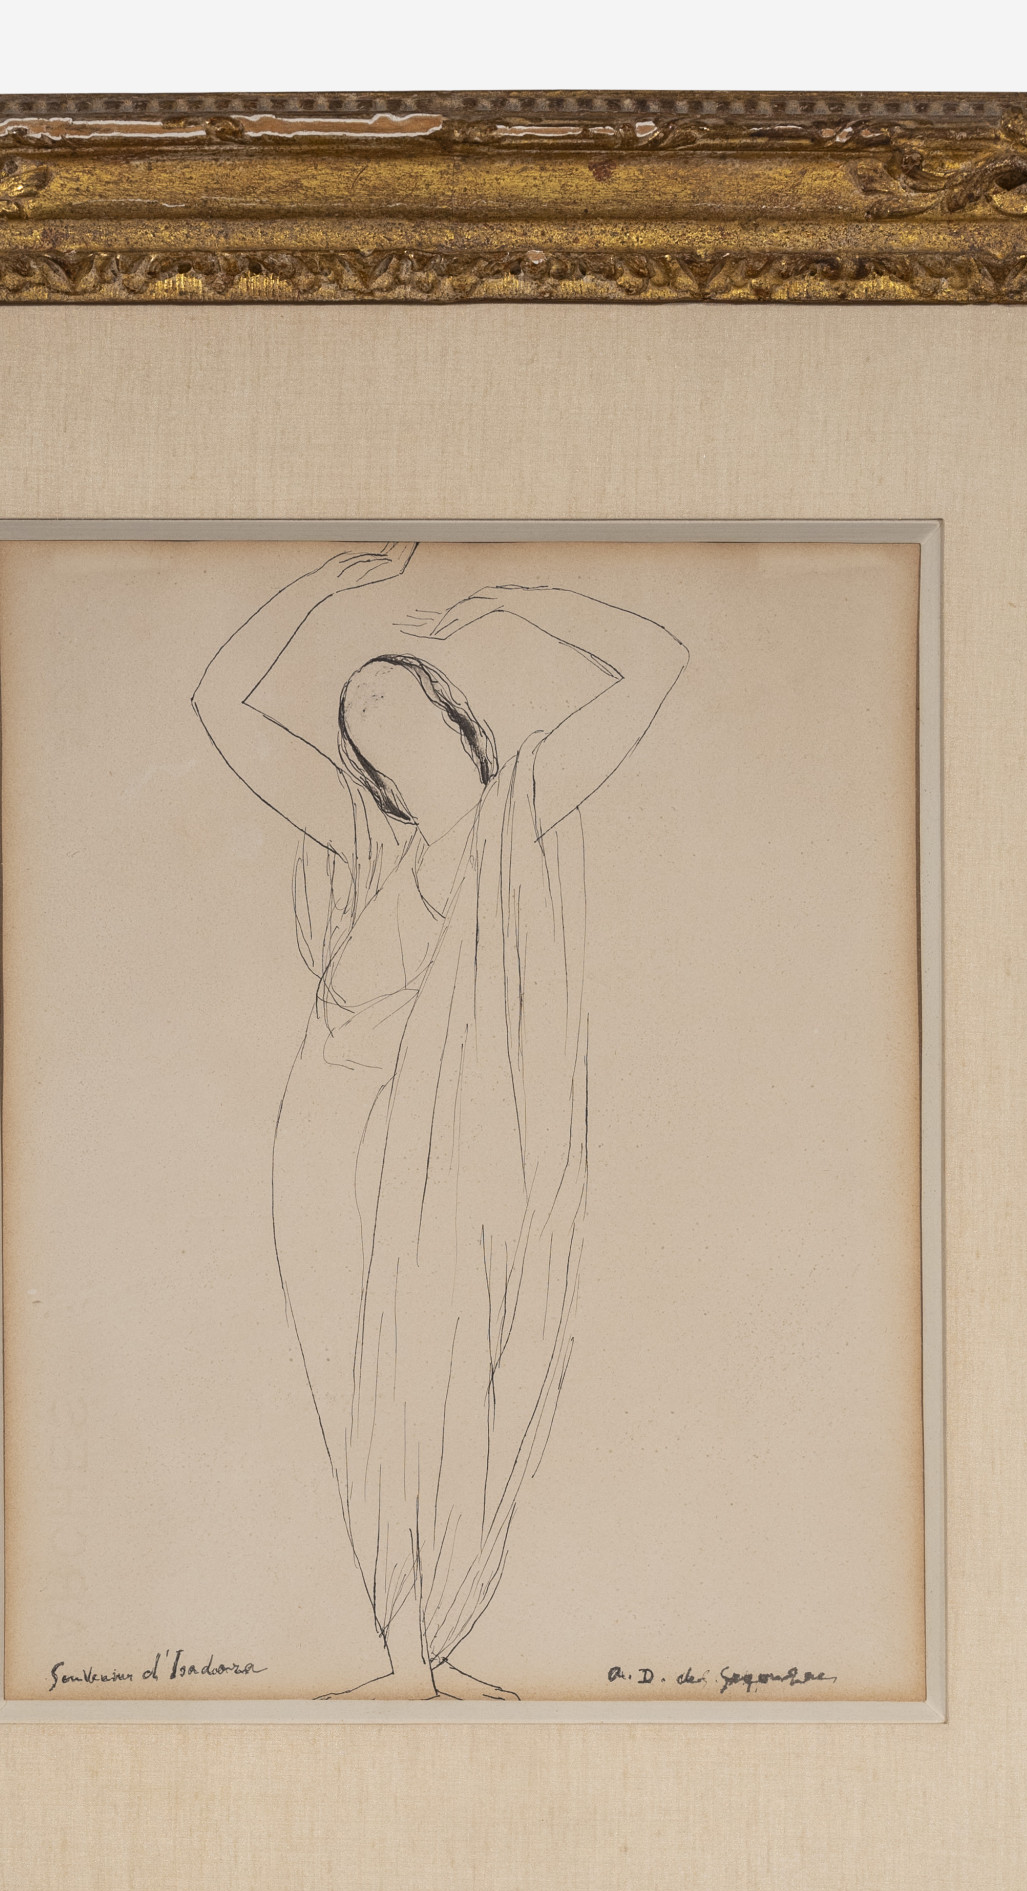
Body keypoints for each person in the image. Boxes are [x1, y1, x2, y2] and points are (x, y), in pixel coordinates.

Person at [191, 544, 687, 1697]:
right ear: (364, 767)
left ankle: (432, 1643)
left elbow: (658, 660)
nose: (383, 732)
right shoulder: (366, 841)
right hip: (330, 1150)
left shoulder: (519, 813)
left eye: (401, 707)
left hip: (451, 1157)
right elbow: (217, 701)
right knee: (352, 1388)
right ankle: (400, 1651)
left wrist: (524, 597)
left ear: (458, 722)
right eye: (363, 727)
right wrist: (319, 587)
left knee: (446, 1377)